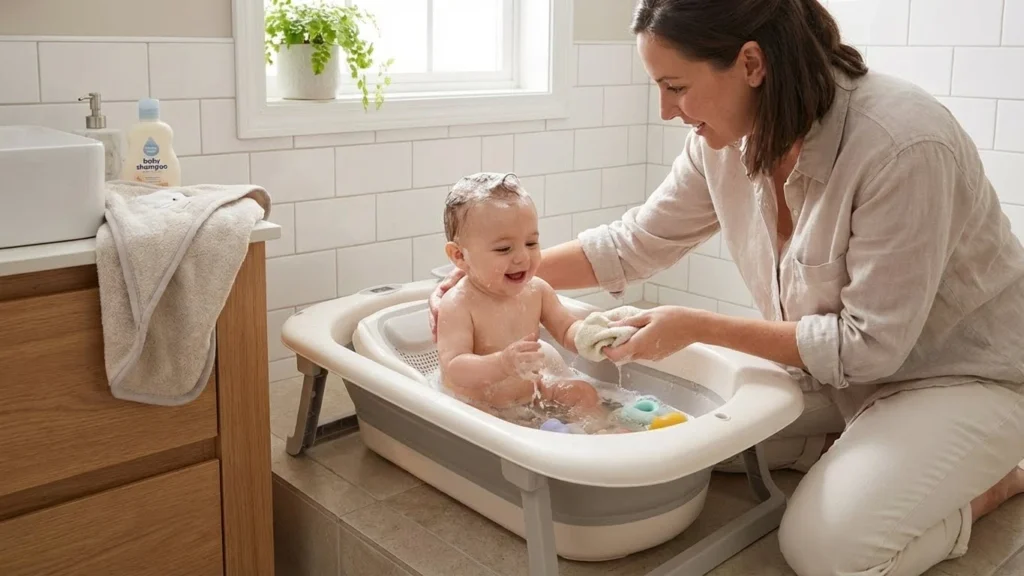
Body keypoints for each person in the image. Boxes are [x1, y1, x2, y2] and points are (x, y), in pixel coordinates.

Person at [428, 0, 1024, 574]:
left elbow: (870, 347)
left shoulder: (901, 145)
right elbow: (635, 241)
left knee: (824, 550)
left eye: (676, 86)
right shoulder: (724, 141)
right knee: (675, 447)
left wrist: (696, 325)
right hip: (839, 379)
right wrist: (486, 277)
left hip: (958, 378)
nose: (666, 110)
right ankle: (843, 451)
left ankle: (996, 482)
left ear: (751, 64)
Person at [434, 172, 607, 425]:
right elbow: (455, 368)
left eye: (531, 243)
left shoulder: (537, 290)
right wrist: (502, 363)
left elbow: (566, 327)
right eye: (504, 248)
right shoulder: (459, 304)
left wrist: (590, 335)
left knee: (584, 393)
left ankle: (597, 435)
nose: (522, 258)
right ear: (460, 256)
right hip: (480, 404)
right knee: (481, 425)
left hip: (531, 394)